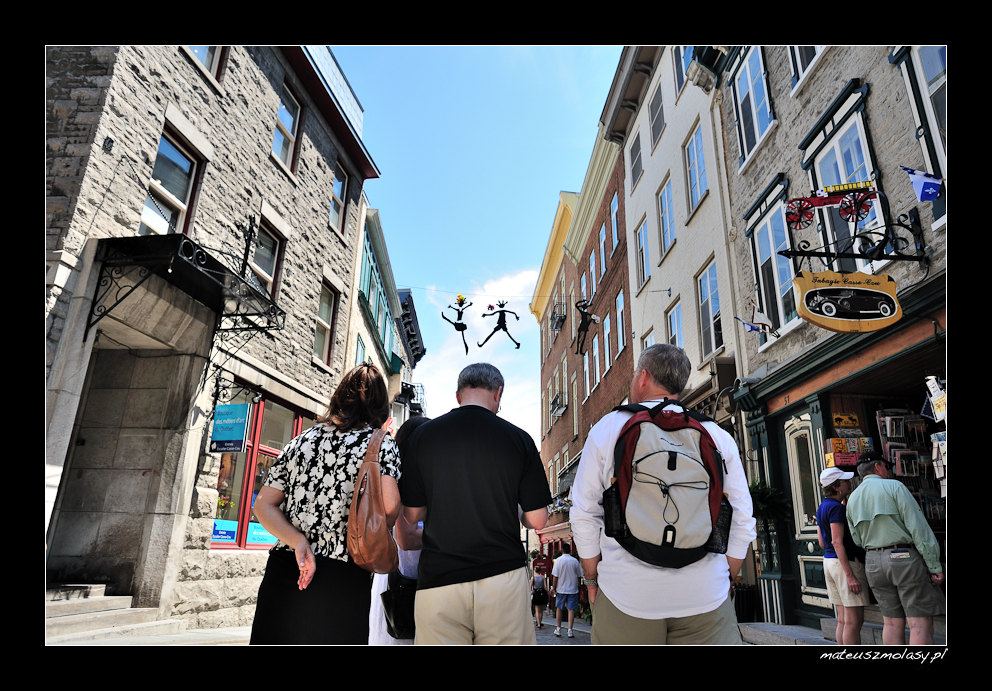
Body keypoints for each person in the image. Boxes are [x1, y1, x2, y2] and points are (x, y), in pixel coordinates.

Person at [569, 344, 756, 645]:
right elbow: (743, 517)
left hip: (627, 596)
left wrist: (592, 579)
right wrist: (726, 577)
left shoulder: (608, 429)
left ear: (642, 378)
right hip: (705, 595)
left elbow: (584, 513)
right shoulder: (715, 434)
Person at [399, 362, 552, 644]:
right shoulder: (519, 439)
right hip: (502, 577)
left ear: (458, 395)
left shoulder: (423, 437)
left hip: (439, 579)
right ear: (498, 393)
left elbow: (412, 514)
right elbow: (538, 520)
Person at [249, 362, 401, 645]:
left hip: (287, 568)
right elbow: (390, 508)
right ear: (381, 405)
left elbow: (263, 505)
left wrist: (299, 541)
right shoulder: (380, 444)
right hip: (343, 575)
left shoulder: (302, 440)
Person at [846, 453, 945, 645]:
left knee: (891, 624)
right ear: (877, 467)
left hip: (873, 561)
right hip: (903, 558)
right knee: (919, 624)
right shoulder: (895, 487)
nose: (887, 471)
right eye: (886, 467)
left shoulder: (852, 499)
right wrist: (934, 565)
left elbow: (857, 539)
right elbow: (918, 529)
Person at [368, 415, 430, 645]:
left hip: (401, 577)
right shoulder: (406, 479)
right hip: (406, 581)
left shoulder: (399, 476)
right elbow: (407, 538)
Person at [816, 466, 870, 645]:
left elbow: (823, 542)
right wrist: (850, 575)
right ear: (837, 486)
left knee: (843, 620)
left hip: (829, 562)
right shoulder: (836, 509)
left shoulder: (822, 507)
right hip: (843, 563)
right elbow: (837, 541)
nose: (848, 483)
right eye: (845, 481)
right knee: (854, 622)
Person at [551, 542, 583, 638]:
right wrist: (578, 585)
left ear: (562, 550)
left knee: (559, 609)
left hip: (561, 589)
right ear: (570, 550)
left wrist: (554, 587)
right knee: (571, 610)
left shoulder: (558, 561)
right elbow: (579, 575)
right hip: (573, 589)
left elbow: (555, 577)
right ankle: (570, 630)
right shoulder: (575, 561)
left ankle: (558, 629)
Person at [530, 565, 549, 629]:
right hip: (542, 593)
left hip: (536, 594)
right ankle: (540, 622)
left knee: (537, 610)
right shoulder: (543, 577)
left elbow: (530, 587)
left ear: (535, 570)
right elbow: (545, 587)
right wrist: (547, 593)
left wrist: (531, 592)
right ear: (540, 570)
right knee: (541, 610)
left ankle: (538, 624)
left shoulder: (533, 578)